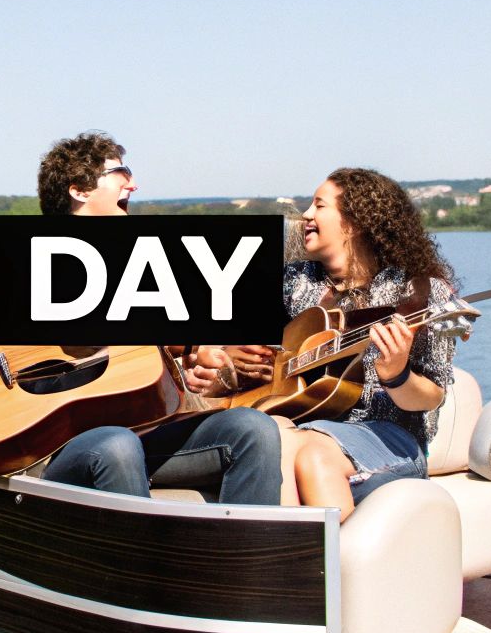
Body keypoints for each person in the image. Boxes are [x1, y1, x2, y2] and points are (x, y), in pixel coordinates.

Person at [34, 132, 285, 505]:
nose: (133, 184)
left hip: (142, 434)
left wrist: (191, 362)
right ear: (80, 191)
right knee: (117, 446)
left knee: (253, 429)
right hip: (63, 444)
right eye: (121, 173)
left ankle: (247, 543)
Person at [265, 168, 458, 519]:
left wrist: (396, 374)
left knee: (312, 454)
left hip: (389, 439)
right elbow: (245, 349)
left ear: (354, 222)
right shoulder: (293, 283)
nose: (305, 214)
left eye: (319, 205)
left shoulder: (417, 293)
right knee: (270, 434)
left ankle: (315, 552)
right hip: (303, 421)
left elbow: (432, 396)